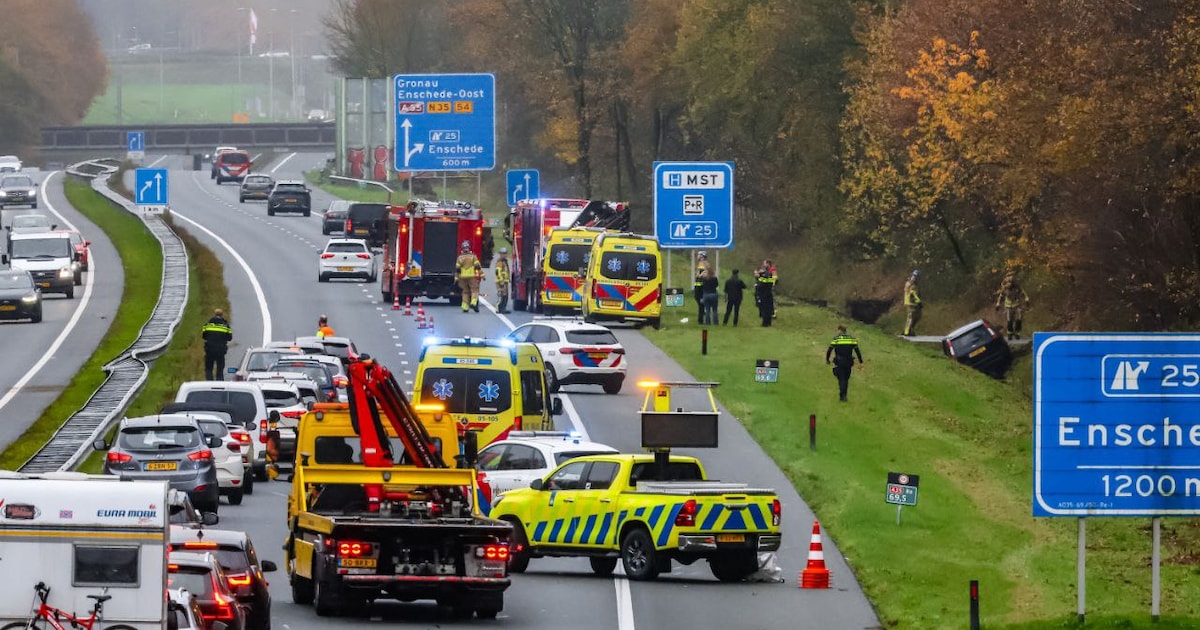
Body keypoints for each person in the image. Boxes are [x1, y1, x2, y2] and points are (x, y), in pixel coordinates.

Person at [825, 325, 863, 402]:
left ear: (840, 330)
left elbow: (829, 350)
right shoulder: (851, 339)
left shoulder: (836, 339)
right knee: (846, 379)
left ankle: (842, 396)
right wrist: (860, 361)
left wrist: (827, 359)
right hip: (849, 362)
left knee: (841, 379)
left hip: (839, 362)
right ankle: (844, 396)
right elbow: (857, 350)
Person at [995, 271, 1030, 339]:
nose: (1009, 285)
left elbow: (1023, 293)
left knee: (1018, 319)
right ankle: (1010, 333)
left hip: (1017, 305)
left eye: (1010, 283)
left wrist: (1026, 299)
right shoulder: (1005, 288)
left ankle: (1017, 333)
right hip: (1008, 306)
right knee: (1009, 320)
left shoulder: (1017, 287)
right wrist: (998, 303)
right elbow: (1001, 296)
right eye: (1008, 283)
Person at [201, 308, 233, 381]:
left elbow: (204, 336)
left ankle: (209, 383)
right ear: (222, 315)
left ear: (214, 315)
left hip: (209, 350)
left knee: (208, 368)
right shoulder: (226, 326)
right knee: (220, 368)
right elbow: (230, 338)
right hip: (220, 350)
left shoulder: (207, 325)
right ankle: (219, 382)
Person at [455, 240, 482, 313]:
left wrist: (456, 277)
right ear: (469, 248)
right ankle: (473, 302)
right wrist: (481, 274)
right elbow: (477, 266)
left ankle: (465, 307)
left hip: (462, 277)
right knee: (474, 289)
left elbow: (457, 269)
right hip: (471, 276)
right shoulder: (473, 256)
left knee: (465, 292)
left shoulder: (459, 257)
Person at [754, 260, 776, 327]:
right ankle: (769, 323)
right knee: (769, 309)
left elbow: (762, 283)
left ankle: (765, 323)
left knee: (764, 309)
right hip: (769, 293)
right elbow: (770, 282)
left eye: (764, 263)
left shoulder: (765, 275)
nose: (763, 265)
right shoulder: (769, 274)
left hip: (764, 294)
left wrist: (757, 285)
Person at [903, 269, 922, 336]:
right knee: (911, 317)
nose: (915, 278)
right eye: (914, 276)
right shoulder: (910, 284)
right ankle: (906, 332)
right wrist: (919, 302)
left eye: (916, 276)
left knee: (918, 317)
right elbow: (913, 294)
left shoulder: (914, 284)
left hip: (913, 303)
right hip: (910, 303)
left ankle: (909, 330)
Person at [693, 251, 710, 321]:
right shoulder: (702, 263)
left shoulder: (703, 264)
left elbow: (705, 272)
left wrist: (699, 275)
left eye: (698, 255)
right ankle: (703, 311)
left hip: (701, 284)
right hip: (699, 283)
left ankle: (703, 312)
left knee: (699, 299)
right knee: (698, 298)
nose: (697, 256)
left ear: (702, 256)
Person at [495, 247, 512, 314]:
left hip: (505, 281)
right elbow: (498, 272)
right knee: (501, 295)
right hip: (501, 282)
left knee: (505, 296)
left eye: (505, 254)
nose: (504, 255)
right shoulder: (500, 262)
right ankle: (499, 308)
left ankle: (503, 308)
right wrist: (501, 281)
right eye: (502, 254)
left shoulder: (505, 261)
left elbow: (506, 271)